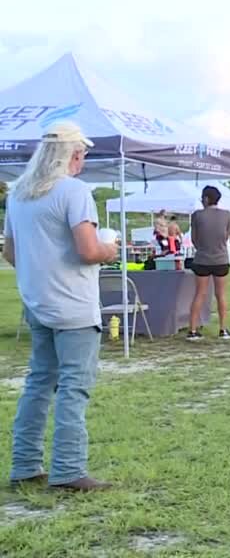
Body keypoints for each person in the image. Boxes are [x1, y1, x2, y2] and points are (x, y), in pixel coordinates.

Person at [5, 121, 118, 491]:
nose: (82, 162)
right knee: (73, 387)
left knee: (39, 383)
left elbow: (10, 252)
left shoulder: (19, 194)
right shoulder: (74, 191)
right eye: (81, 155)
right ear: (74, 155)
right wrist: (109, 250)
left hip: (37, 302)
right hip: (74, 305)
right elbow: (88, 250)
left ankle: (25, 465)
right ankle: (69, 469)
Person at [186, 185, 230, 340]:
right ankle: (223, 329)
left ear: (206, 199)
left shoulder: (197, 215)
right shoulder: (227, 215)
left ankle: (192, 330)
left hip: (202, 259)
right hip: (221, 259)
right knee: (221, 295)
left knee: (199, 294)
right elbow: (226, 236)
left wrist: (203, 248)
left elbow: (194, 239)